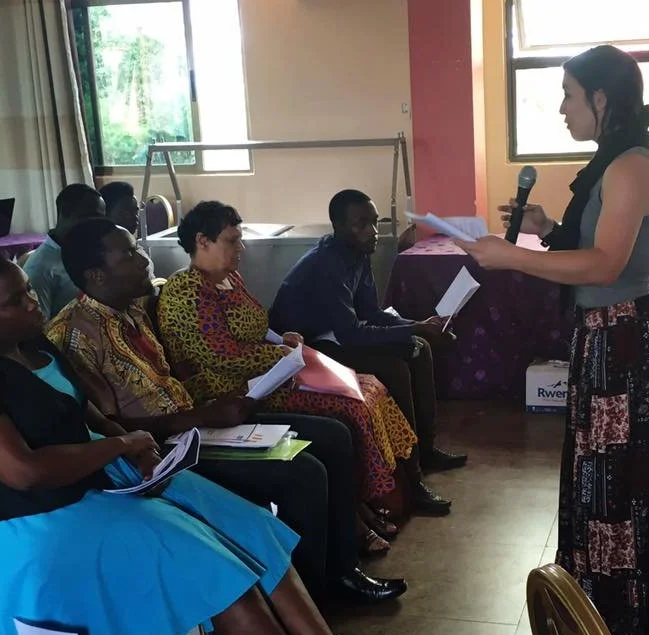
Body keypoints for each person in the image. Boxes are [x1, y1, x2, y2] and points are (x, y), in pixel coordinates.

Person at [0, 242, 422, 635]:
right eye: (14, 301)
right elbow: (22, 472)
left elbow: (90, 416)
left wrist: (135, 448)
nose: (32, 303)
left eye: (28, 291)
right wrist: (120, 447)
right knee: (215, 570)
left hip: (99, 484)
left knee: (254, 527)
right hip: (36, 521)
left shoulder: (35, 346)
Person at [456, 45, 649, 635]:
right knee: (601, 491)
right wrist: (541, 224)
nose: (561, 108)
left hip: (628, 346)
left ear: (601, 98)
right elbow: (588, 246)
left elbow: (605, 264)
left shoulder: (631, 167)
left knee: (624, 496)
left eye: (569, 95)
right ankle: (607, 627)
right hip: (605, 340)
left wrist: (511, 255)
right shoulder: (610, 162)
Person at [47, 217, 408, 605]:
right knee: (302, 472)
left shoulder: (130, 310)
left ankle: (342, 568)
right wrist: (202, 416)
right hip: (166, 453)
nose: (143, 260)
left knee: (333, 435)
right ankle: (317, 600)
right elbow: (110, 428)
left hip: (201, 421)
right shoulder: (73, 336)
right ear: (96, 275)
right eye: (129, 254)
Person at [156, 202, 451, 518]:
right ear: (202, 242)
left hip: (272, 375)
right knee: (351, 405)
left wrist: (281, 338)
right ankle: (370, 503)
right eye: (231, 240)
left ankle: (394, 489)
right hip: (236, 392)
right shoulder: (186, 291)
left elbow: (256, 325)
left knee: (368, 387)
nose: (240, 247)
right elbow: (222, 354)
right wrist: (281, 355)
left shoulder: (229, 278)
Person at [269, 189, 468, 477]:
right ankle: (409, 471)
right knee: (395, 367)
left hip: (335, 334)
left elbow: (372, 314)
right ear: (338, 227)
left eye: (374, 222)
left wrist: (423, 325)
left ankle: (426, 449)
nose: (372, 231)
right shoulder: (327, 264)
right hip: (302, 347)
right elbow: (351, 334)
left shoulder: (358, 253)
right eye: (361, 224)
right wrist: (415, 328)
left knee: (420, 347)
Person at [23, 183, 105, 319]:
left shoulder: (89, 252)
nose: (96, 225)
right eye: (91, 217)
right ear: (65, 212)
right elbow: (39, 327)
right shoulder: (40, 268)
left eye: (101, 219)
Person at [98, 180, 157, 282]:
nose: (134, 218)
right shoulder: (107, 256)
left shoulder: (136, 248)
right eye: (125, 213)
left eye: (136, 211)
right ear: (105, 214)